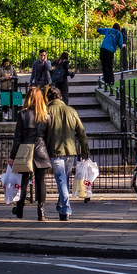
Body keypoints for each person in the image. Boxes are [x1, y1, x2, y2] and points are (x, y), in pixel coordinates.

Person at [45, 86, 90, 221]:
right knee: (63, 180)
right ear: (61, 97)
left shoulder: (47, 111)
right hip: (71, 151)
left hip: (55, 150)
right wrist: (85, 151)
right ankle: (61, 206)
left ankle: (65, 209)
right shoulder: (71, 111)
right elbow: (81, 133)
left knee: (61, 180)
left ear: (48, 99)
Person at [9, 87, 52, 221]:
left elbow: (17, 138)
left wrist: (12, 156)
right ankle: (41, 211)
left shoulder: (22, 114)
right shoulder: (46, 116)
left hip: (25, 150)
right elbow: (48, 138)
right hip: (41, 150)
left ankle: (20, 207)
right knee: (41, 183)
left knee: (24, 181)